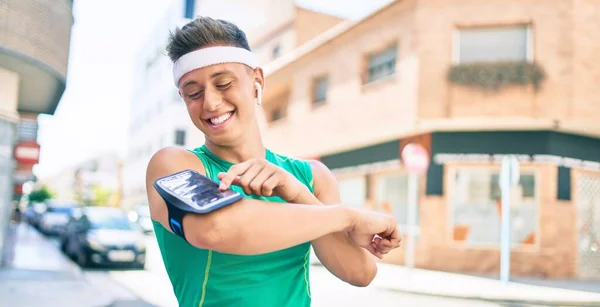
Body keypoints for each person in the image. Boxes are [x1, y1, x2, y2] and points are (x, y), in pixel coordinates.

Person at [145, 16, 402, 307]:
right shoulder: (173, 166)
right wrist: (349, 217)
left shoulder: (311, 176)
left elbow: (361, 272)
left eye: (224, 83)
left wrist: (296, 193)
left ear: (257, 80)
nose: (210, 103)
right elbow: (215, 227)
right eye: (193, 93)